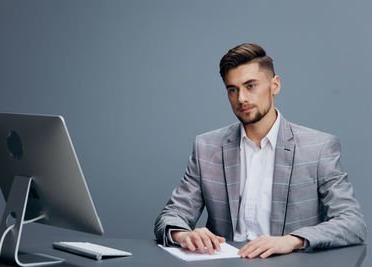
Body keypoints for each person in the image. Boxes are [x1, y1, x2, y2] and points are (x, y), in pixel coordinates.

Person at [154, 43, 367, 259]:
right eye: (232, 89)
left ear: (275, 85)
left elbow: (352, 222)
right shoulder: (207, 147)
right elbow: (173, 214)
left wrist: (292, 240)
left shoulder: (319, 148)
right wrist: (183, 236)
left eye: (251, 86)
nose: (241, 98)